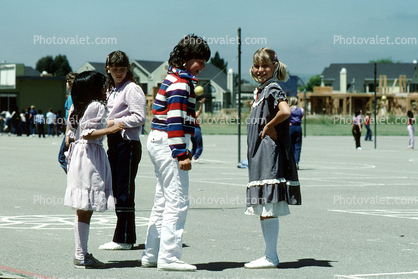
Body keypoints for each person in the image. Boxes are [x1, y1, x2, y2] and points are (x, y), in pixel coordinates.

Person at [141, 34, 211, 271]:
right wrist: (181, 153)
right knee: (177, 201)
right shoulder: (181, 83)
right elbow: (174, 120)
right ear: (185, 58)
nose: (202, 66)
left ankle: (151, 253)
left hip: (158, 141)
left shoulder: (173, 77)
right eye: (198, 60)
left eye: (204, 62)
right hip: (169, 143)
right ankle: (169, 257)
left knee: (162, 200)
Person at [244, 48, 301, 269]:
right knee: (264, 205)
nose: (260, 70)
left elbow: (285, 111)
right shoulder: (261, 91)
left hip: (268, 155)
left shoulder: (272, 88)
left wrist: (268, 125)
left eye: (265, 66)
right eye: (257, 66)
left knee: (267, 205)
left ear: (274, 67)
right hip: (260, 154)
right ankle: (269, 254)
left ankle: (271, 256)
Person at [65, 71, 124, 268]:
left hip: (79, 156)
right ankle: (81, 255)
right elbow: (90, 133)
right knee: (85, 207)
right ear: (95, 87)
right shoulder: (97, 106)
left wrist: (111, 122)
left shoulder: (77, 106)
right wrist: (111, 129)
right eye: (102, 84)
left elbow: (75, 132)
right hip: (90, 156)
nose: (105, 87)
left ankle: (80, 253)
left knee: (83, 207)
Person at [99, 50, 146, 250]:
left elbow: (139, 117)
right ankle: (122, 235)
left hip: (127, 143)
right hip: (113, 141)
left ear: (128, 69)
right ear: (108, 69)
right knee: (117, 190)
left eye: (123, 69)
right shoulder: (113, 89)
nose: (119, 73)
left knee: (125, 191)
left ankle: (125, 238)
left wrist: (114, 122)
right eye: (115, 69)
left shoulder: (131, 88)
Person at [58, 72, 77, 173]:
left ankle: (73, 176)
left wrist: (67, 135)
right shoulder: (77, 96)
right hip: (75, 129)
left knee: (62, 157)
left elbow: (70, 117)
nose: (66, 84)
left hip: (70, 130)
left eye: (67, 82)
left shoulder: (71, 97)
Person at [289, 97, 303, 170]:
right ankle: (296, 162)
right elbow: (301, 117)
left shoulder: (289, 109)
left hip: (291, 127)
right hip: (298, 127)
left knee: (290, 145)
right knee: (297, 146)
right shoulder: (301, 110)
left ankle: (290, 163)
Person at [191, 97, 205, 163]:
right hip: (196, 129)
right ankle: (195, 158)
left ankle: (189, 157)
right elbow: (200, 111)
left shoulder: (186, 116)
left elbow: (199, 111)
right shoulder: (193, 115)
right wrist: (201, 104)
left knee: (194, 146)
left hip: (190, 131)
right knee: (199, 146)